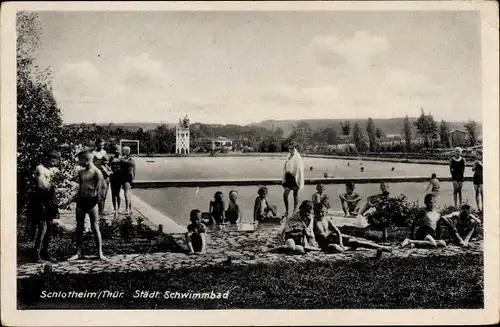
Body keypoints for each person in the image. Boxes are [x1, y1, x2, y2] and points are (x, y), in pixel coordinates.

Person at [68, 150, 107, 261]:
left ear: (86, 159)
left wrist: (99, 202)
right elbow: (80, 186)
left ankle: (100, 253)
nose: (79, 162)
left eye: (80, 160)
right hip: (81, 200)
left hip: (92, 201)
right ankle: (78, 252)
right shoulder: (81, 173)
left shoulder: (97, 172)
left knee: (95, 227)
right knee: (79, 227)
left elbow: (101, 189)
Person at [313, 201, 392, 253]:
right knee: (335, 248)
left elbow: (337, 232)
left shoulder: (327, 218)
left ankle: (382, 247)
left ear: (326, 212)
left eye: (322, 212)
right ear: (314, 212)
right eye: (318, 212)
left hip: (334, 237)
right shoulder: (313, 221)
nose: (320, 214)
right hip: (325, 244)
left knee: (357, 241)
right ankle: (349, 248)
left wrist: (341, 244)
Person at [28, 150, 61, 262]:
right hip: (41, 200)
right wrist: (53, 184)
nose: (55, 162)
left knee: (50, 226)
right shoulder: (40, 168)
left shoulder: (50, 170)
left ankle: (45, 252)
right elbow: (42, 185)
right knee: (42, 227)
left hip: (49, 200)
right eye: (53, 160)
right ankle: (35, 254)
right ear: (47, 158)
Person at [282, 142, 304, 218]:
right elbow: (285, 167)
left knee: (295, 195)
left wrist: (297, 178)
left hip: (295, 178)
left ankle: (294, 211)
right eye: (289, 148)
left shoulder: (298, 157)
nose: (290, 150)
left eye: (292, 148)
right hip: (288, 177)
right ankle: (287, 211)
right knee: (285, 195)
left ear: (295, 148)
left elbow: (300, 169)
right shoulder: (288, 156)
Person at [120, 146, 135, 215]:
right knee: (128, 193)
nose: (121, 151)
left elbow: (123, 167)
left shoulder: (126, 160)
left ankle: (127, 209)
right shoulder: (131, 159)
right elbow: (134, 170)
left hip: (126, 177)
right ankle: (130, 208)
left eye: (122, 150)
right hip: (129, 177)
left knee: (126, 193)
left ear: (126, 152)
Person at [108, 145, 122, 213]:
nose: (116, 151)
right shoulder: (111, 158)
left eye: (117, 149)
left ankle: (118, 208)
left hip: (119, 176)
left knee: (118, 193)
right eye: (115, 150)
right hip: (113, 176)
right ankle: (114, 208)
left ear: (120, 150)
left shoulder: (122, 158)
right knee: (113, 193)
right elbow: (108, 166)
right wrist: (110, 171)